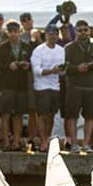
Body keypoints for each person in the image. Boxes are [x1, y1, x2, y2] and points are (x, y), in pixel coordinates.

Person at [62, 18, 93, 152]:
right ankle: (74, 143)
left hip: (91, 86)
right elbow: (64, 67)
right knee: (72, 116)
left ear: (89, 31)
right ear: (75, 31)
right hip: (75, 86)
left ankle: (86, 144)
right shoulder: (69, 47)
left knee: (90, 116)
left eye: (85, 30)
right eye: (80, 30)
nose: (83, 33)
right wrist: (76, 68)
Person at [0, 20, 31, 151]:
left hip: (21, 84)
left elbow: (32, 63)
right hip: (7, 84)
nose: (13, 34)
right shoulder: (2, 48)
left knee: (19, 114)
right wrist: (8, 66)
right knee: (5, 113)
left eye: (16, 32)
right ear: (7, 33)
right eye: (11, 32)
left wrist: (27, 66)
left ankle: (16, 141)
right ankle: (6, 142)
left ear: (20, 32)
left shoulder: (26, 47)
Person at [30, 20, 66, 151]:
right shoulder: (38, 51)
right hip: (41, 87)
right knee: (42, 115)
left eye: (55, 34)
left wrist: (61, 70)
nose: (53, 36)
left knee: (51, 115)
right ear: (46, 35)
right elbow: (37, 71)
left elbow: (63, 69)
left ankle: (47, 137)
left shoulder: (61, 50)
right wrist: (51, 70)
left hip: (55, 86)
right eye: (50, 34)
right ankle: (43, 140)